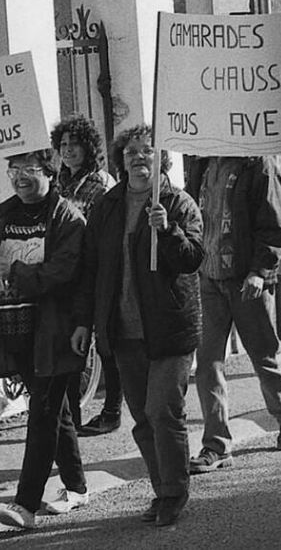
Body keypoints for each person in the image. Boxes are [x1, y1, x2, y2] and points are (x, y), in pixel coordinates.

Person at [73, 124, 204, 526]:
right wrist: (85, 323)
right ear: (121, 159)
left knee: (163, 410)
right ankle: (161, 487)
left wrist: (168, 230)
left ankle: (174, 494)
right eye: (131, 151)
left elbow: (192, 258)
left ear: (161, 158)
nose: (139, 157)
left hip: (168, 329)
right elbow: (91, 269)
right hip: (124, 332)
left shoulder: (178, 203)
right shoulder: (108, 205)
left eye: (148, 151)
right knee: (143, 418)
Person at [0, 150, 88, 529]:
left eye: (28, 170)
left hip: (56, 330)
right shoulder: (1, 213)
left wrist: (15, 269)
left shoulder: (69, 217)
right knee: (54, 409)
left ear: (49, 172)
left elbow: (63, 272)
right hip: (16, 331)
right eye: (13, 170)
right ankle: (77, 486)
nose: (18, 177)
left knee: (43, 415)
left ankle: (25, 505)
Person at [186, 152, 281, 470]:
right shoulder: (201, 162)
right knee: (208, 363)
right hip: (208, 278)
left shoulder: (257, 164)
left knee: (263, 353)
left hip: (245, 278)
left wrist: (259, 271)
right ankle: (216, 444)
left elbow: (273, 225)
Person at [49, 114, 122, 437]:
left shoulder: (103, 183)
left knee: (106, 343)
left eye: (74, 144)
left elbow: (108, 231)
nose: (67, 151)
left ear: (88, 147)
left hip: (96, 269)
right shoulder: (57, 183)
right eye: (63, 145)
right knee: (71, 342)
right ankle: (70, 415)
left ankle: (112, 410)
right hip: (65, 272)